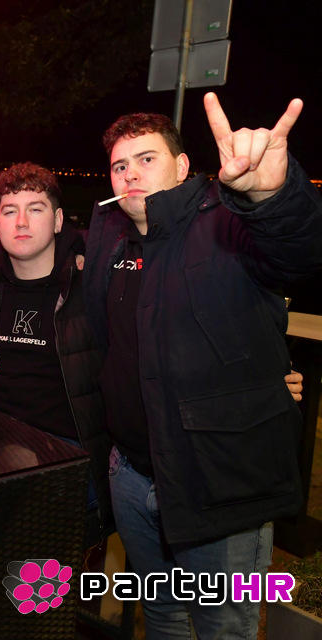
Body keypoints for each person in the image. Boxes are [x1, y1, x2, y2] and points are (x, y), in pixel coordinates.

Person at [83, 94, 322, 638]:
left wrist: (272, 196)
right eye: (120, 166)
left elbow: (300, 252)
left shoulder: (226, 222)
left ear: (183, 165)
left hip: (218, 484)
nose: (130, 174)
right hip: (131, 476)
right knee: (162, 615)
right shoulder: (110, 238)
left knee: (223, 627)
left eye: (147, 159)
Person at [0, 162, 111, 540]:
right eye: (9, 211)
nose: (21, 222)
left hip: (69, 453)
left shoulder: (90, 284)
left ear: (59, 220)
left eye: (36, 209)